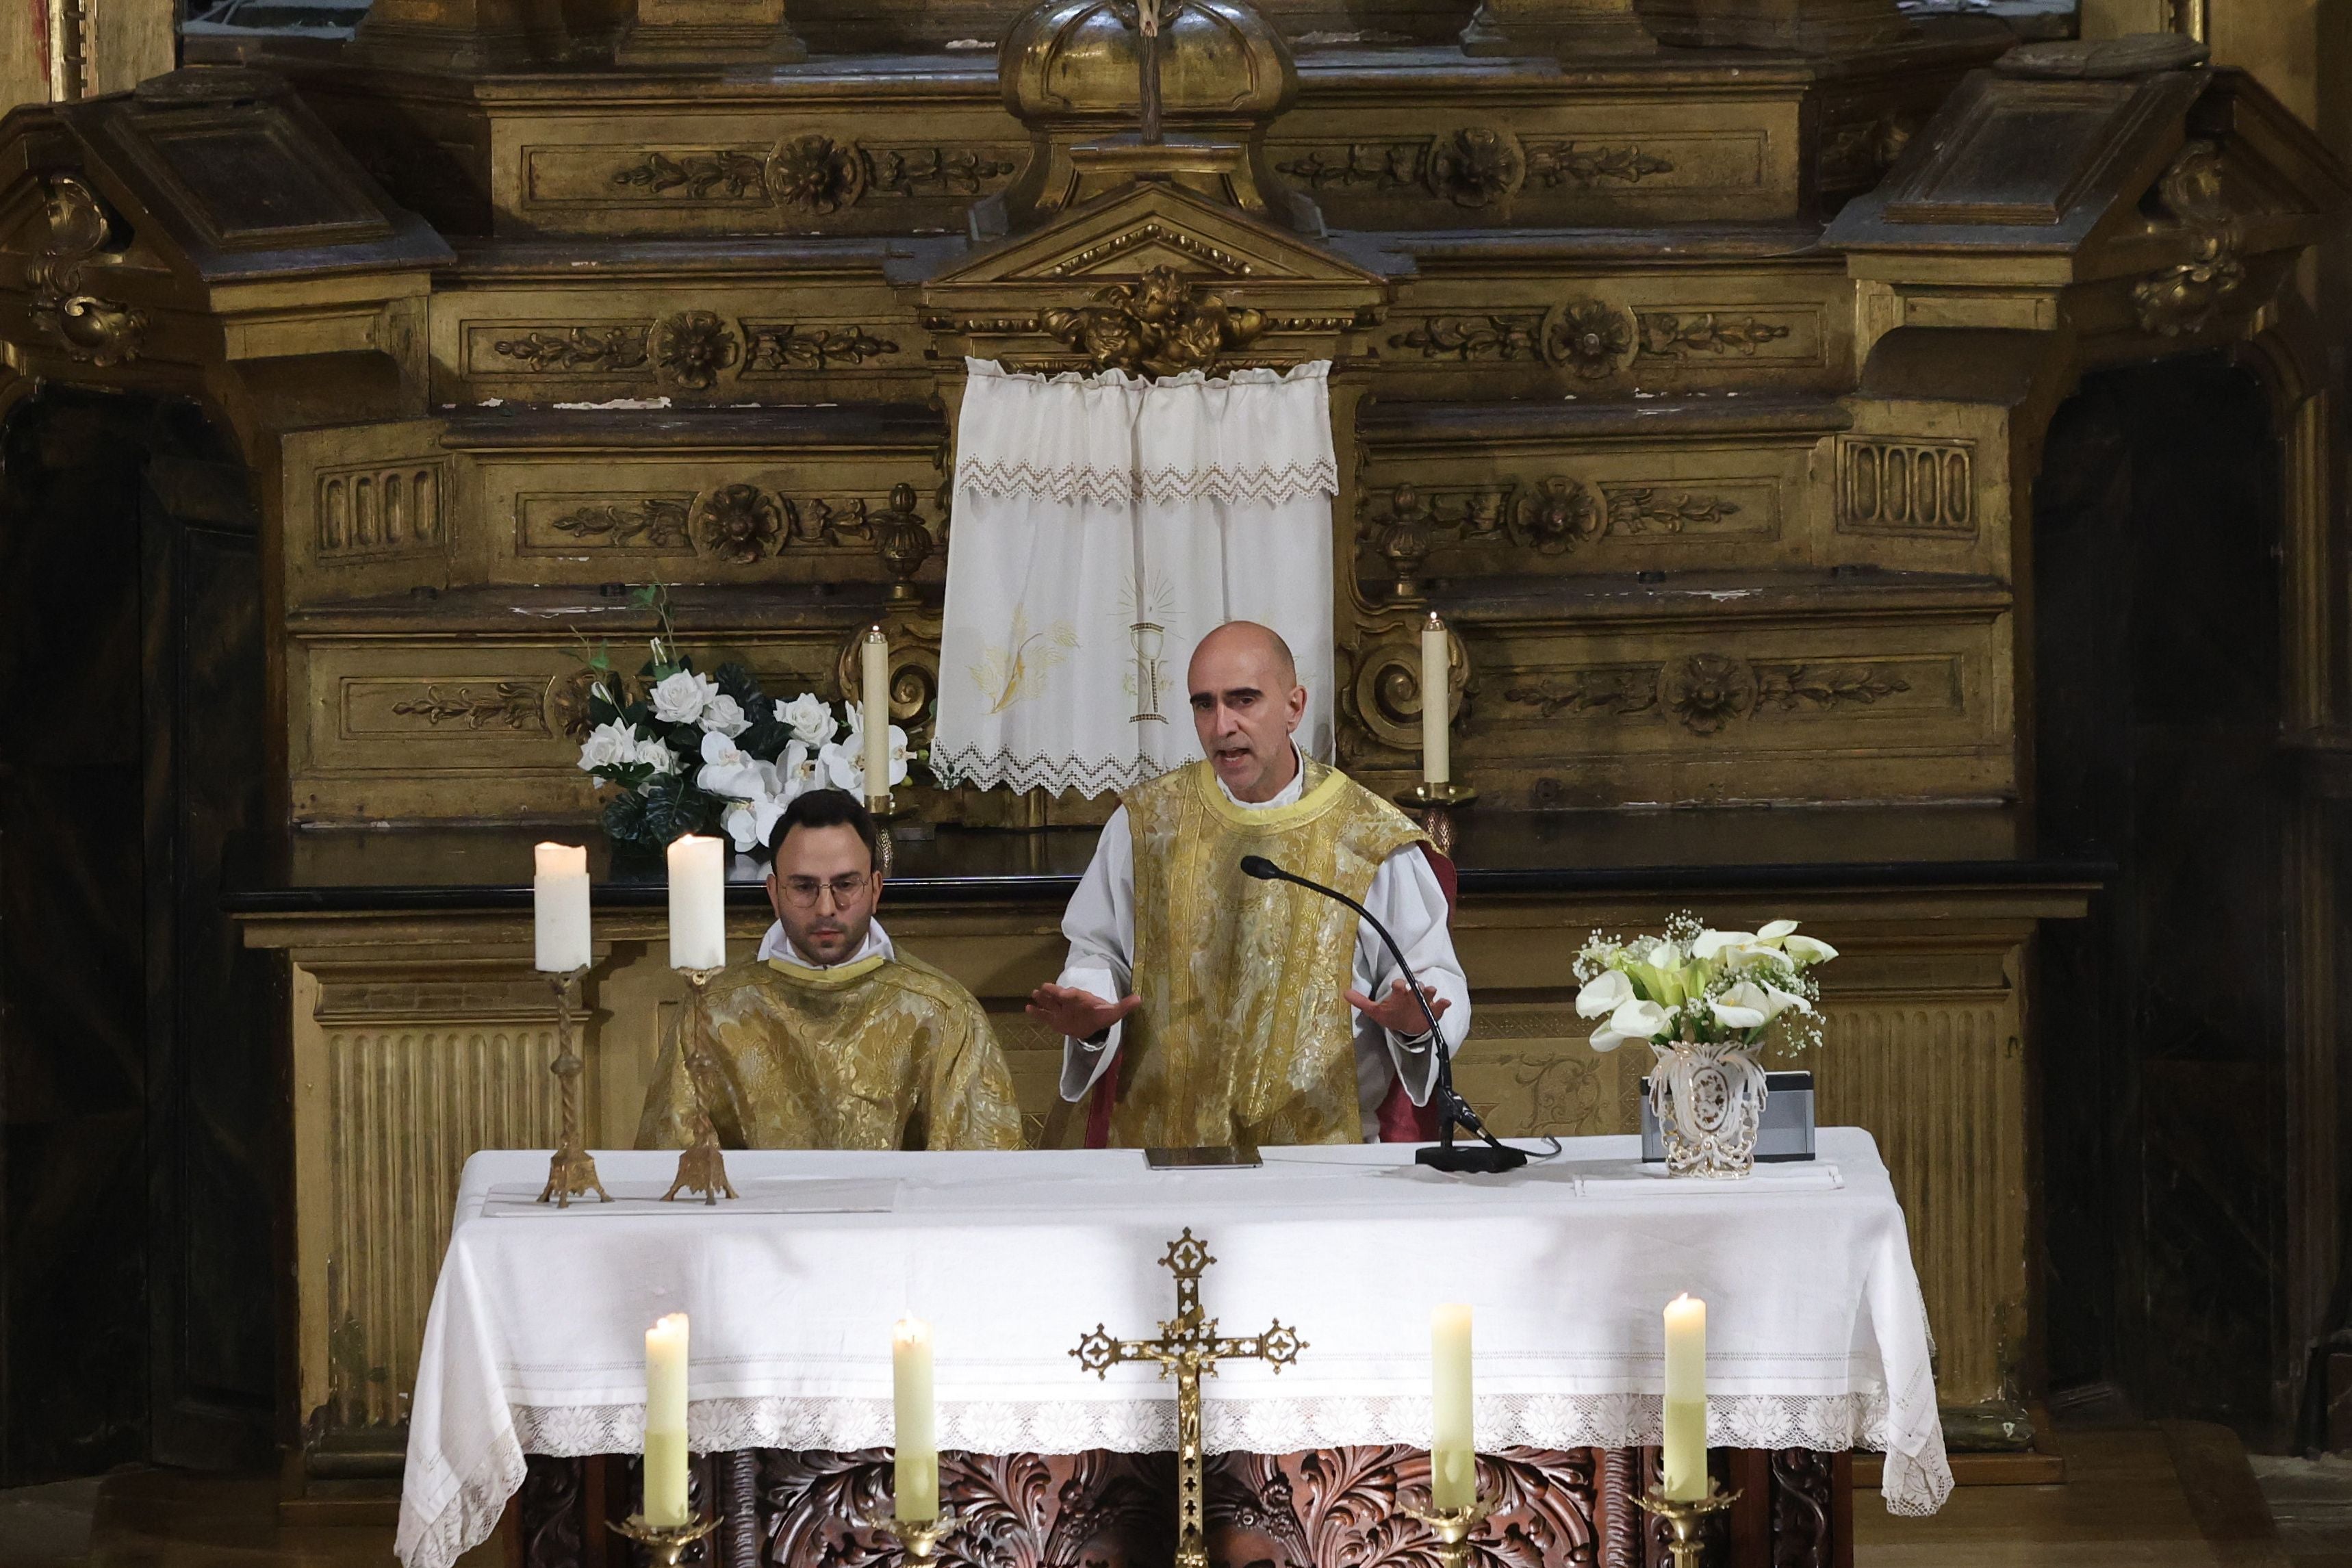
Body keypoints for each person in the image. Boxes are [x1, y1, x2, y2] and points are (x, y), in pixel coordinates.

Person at [1027, 620, 1470, 1146]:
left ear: (1294, 706)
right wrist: (1092, 1005)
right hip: (1164, 1154)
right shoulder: (1147, 825)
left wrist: (1416, 1020)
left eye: (1244, 700)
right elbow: (1099, 950)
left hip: (1320, 1159)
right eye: (1204, 704)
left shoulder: (1367, 835)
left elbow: (1428, 971)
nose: (1222, 725)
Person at [637, 789, 1023, 1152]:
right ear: (774, 893)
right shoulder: (712, 1010)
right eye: (804, 887)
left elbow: (980, 1174)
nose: (826, 908)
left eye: (845, 885)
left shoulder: (943, 1012)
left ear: (876, 889)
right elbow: (673, 1167)